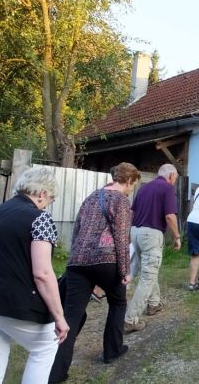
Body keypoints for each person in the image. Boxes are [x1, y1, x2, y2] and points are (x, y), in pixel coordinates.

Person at [49, 162, 140, 382]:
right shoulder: (121, 201)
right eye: (133, 185)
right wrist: (125, 270)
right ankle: (112, 350)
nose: (131, 189)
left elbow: (77, 230)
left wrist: (73, 260)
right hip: (106, 260)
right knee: (118, 303)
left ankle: (55, 373)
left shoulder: (91, 197)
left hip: (78, 262)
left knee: (71, 315)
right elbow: (120, 237)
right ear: (128, 181)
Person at [0, 167, 69, 383]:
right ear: (42, 194)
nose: (49, 203)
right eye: (50, 198)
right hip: (18, 304)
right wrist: (59, 317)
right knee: (45, 345)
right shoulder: (40, 219)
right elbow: (43, 273)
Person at [124, 164, 181, 333]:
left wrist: (129, 234)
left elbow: (132, 213)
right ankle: (130, 319)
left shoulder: (144, 188)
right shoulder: (167, 188)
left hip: (136, 231)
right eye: (175, 178)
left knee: (149, 270)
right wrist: (177, 237)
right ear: (170, 175)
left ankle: (154, 304)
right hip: (151, 234)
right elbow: (170, 216)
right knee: (148, 277)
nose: (175, 181)